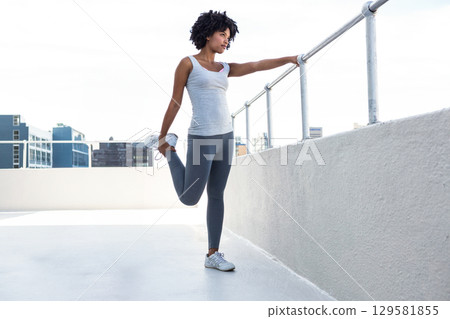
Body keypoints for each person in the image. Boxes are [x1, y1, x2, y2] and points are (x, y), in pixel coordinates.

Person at [152, 10, 299, 271]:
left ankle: (213, 254)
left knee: (217, 194)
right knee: (189, 198)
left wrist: (288, 59)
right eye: (222, 34)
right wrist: (162, 135)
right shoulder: (188, 64)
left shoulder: (225, 68)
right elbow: (175, 101)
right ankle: (169, 150)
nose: (226, 41)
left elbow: (255, 65)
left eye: (228, 37)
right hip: (201, 137)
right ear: (207, 33)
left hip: (226, 137)